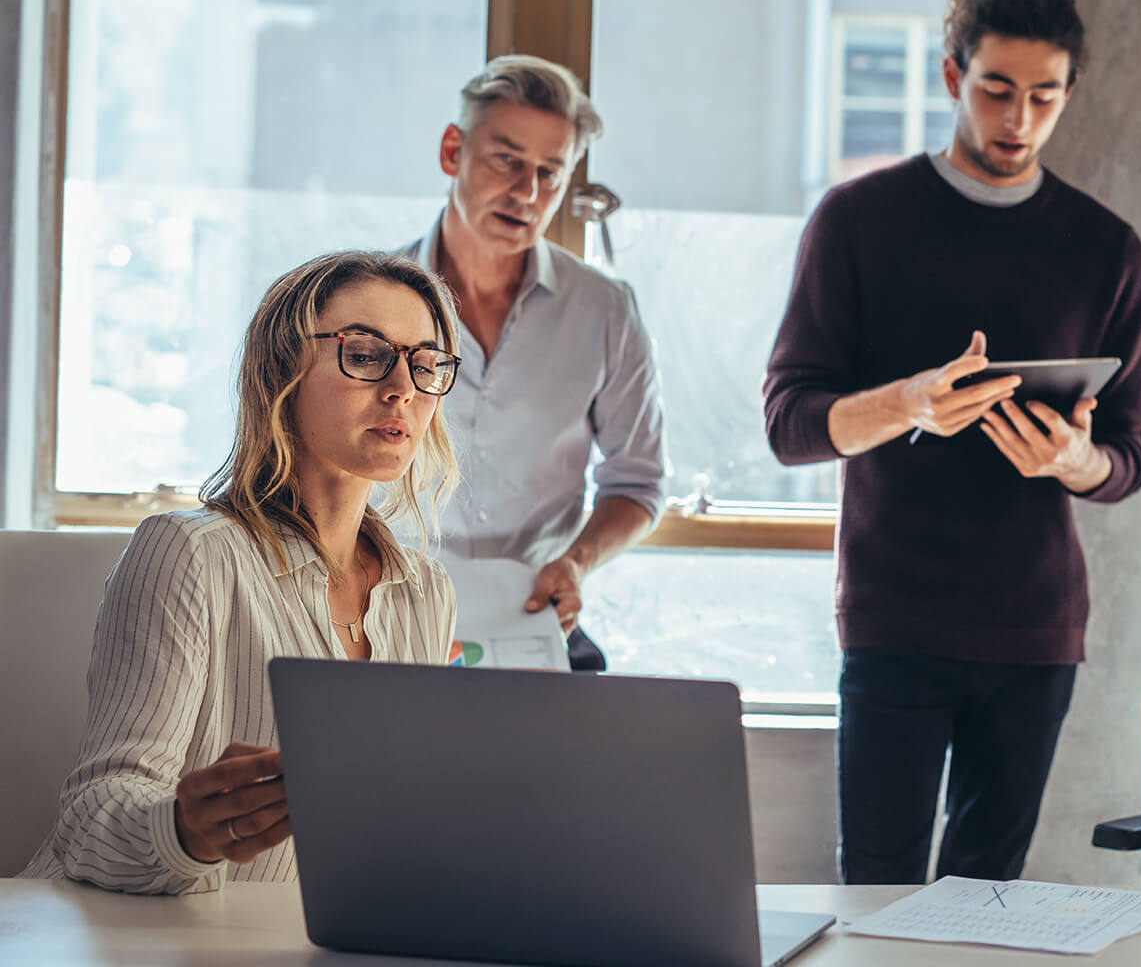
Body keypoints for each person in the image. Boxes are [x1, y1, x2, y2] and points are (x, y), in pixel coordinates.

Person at [763, 0, 1141, 885]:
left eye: (1043, 96)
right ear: (951, 77)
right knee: (879, 889)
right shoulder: (857, 220)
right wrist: (909, 404)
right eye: (996, 90)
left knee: (988, 901)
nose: (1019, 118)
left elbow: (1128, 456)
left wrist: (1076, 459)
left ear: (1067, 94)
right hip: (894, 618)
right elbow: (790, 424)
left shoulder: (1105, 248)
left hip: (1036, 627)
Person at [21, 251, 464, 894]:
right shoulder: (188, 551)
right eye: (366, 354)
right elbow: (90, 823)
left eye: (425, 364)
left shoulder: (426, 592)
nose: (402, 387)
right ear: (282, 372)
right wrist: (184, 832)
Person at [397, 55, 666, 670]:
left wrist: (576, 561)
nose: (527, 192)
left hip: (534, 626)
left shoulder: (605, 310)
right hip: (388, 622)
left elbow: (639, 483)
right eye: (507, 159)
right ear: (452, 151)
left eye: (550, 172)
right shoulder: (370, 304)